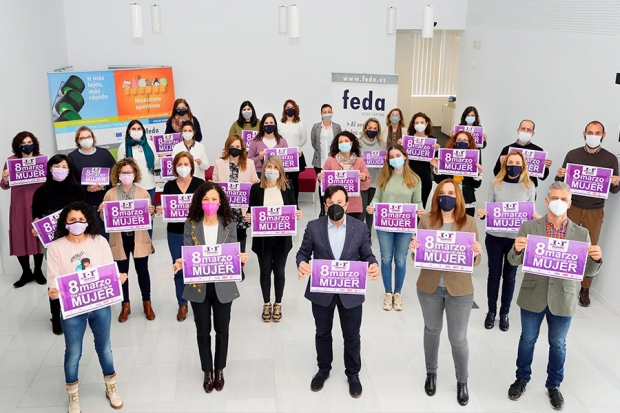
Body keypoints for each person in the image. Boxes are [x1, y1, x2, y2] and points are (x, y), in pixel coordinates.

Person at [506, 181, 603, 410]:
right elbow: (513, 261)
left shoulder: (582, 233)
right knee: (527, 339)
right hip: (533, 293)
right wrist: (517, 249)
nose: (558, 203)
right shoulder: (529, 227)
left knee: (558, 343)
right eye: (554, 198)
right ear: (547, 201)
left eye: (563, 199)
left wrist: (596, 259)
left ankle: (554, 385)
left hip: (564, 295)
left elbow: (586, 271)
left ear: (569, 203)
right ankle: (521, 379)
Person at [296, 185, 380, 398]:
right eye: (331, 202)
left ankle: (353, 374)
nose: (336, 206)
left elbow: (367, 254)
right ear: (325, 204)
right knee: (322, 333)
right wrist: (302, 264)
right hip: (321, 291)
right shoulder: (314, 227)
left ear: (347, 204)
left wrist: (373, 264)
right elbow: (302, 253)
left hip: (350, 292)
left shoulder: (359, 228)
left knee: (352, 335)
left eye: (340, 202)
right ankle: (323, 369)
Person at [47, 201, 127, 413]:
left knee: (104, 347)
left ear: (88, 221)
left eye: (81, 220)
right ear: (65, 222)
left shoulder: (98, 241)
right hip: (72, 309)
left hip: (99, 305)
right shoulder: (55, 247)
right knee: (73, 352)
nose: (77, 223)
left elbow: (109, 271)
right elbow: (54, 280)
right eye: (72, 220)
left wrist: (118, 278)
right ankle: (73, 395)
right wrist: (53, 291)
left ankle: (111, 387)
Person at [408, 178, 483, 406]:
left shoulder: (469, 222)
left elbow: (476, 260)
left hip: (459, 290)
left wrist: (476, 253)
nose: (447, 196)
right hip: (429, 287)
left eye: (451, 192)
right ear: (436, 196)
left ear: (458, 197)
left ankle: (462, 381)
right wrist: (413, 249)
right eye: (443, 192)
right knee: (431, 331)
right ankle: (431, 373)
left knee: (457, 338)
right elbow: (416, 257)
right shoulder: (425, 220)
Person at [172, 182, 249, 393]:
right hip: (199, 285)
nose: (210, 203)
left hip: (223, 284)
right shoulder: (191, 223)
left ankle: (220, 369)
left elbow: (233, 252)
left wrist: (241, 259)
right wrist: (181, 262)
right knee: (202, 331)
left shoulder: (229, 223)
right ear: (199, 201)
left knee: (222, 330)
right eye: (206, 199)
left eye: (214, 199)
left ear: (221, 201)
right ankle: (207, 371)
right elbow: (188, 251)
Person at [554, 120, 620, 307]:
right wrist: (559, 174)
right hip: (571, 207)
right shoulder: (572, 154)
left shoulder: (610, 159)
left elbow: (614, 190)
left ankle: (585, 288)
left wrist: (616, 183)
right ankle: (559, 281)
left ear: (603, 135)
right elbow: (560, 182)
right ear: (584, 134)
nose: (593, 135)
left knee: (591, 249)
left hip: (595, 210)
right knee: (563, 243)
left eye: (597, 132)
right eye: (590, 132)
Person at [476, 151, 536, 331]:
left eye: (517, 162)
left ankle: (505, 313)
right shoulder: (495, 183)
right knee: (493, 275)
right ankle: (491, 312)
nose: (513, 165)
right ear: (505, 164)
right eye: (510, 162)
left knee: (510, 276)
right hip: (494, 237)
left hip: (516, 241)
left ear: (523, 166)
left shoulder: (529, 186)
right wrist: (482, 214)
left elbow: (529, 215)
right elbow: (489, 208)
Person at [31, 154, 86, 335]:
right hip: (52, 243)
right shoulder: (41, 192)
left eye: (64, 166)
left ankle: (77, 307)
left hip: (75, 240)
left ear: (69, 169)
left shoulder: (77, 189)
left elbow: (84, 212)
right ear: (50, 168)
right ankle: (56, 316)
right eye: (57, 166)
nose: (60, 169)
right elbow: (36, 213)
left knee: (76, 273)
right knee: (55, 277)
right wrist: (36, 223)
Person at [366, 145, 423, 311]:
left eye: (397, 155)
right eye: (391, 156)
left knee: (400, 259)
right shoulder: (384, 178)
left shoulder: (415, 179)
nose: (395, 159)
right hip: (385, 226)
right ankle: (387, 292)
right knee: (385, 259)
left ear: (404, 156)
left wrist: (420, 209)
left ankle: (398, 293)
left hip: (405, 226)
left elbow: (417, 201)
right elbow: (377, 197)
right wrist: (372, 206)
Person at [245, 156, 302, 322]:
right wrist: (249, 217)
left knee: (279, 271)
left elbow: (294, 207)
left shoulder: (288, 187)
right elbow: (251, 211)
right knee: (264, 271)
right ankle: (266, 303)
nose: (271, 170)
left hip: (282, 239)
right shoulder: (256, 189)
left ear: (280, 171)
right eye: (268, 166)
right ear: (263, 170)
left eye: (275, 167)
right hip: (262, 239)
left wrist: (297, 213)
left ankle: (278, 303)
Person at [99, 158, 156, 323]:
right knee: (122, 274)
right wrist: (102, 211)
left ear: (135, 174)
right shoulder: (110, 194)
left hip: (138, 238)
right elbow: (105, 219)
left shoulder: (143, 193)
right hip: (119, 238)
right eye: (123, 173)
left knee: (142, 271)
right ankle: (125, 304)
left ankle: (147, 303)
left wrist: (151, 212)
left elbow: (149, 217)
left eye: (129, 172)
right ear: (117, 174)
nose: (126, 175)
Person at [156, 152, 204, 322]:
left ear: (192, 165)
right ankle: (182, 303)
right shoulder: (169, 186)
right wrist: (160, 209)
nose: (183, 167)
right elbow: (165, 206)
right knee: (179, 268)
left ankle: (199, 299)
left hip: (196, 232)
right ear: (175, 167)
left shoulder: (200, 184)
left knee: (197, 267)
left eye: (186, 163)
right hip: (175, 232)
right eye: (179, 164)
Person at [1, 132, 46, 288]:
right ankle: (26, 272)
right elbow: (5, 185)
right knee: (20, 235)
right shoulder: (11, 161)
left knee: (39, 234)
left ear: (34, 143)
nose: (26, 145)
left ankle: (38, 270)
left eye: (29, 141)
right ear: (17, 146)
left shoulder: (41, 160)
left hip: (38, 203)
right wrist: (5, 178)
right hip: (19, 205)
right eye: (22, 143)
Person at [212, 134, 260, 257]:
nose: (235, 148)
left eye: (237, 146)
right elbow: (215, 183)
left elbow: (254, 181)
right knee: (225, 235)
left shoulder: (249, 163)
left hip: (241, 208)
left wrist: (256, 182)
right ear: (227, 147)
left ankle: (241, 262)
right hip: (225, 207)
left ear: (242, 147)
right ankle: (228, 260)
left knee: (241, 235)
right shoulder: (219, 162)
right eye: (232, 146)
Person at [67, 126, 117, 240]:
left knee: (106, 234)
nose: (86, 139)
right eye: (82, 138)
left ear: (93, 137)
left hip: (104, 201)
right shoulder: (72, 157)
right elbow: (71, 181)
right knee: (89, 235)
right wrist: (87, 188)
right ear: (78, 141)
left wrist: (105, 183)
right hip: (85, 202)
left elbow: (115, 172)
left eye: (88, 136)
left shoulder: (104, 153)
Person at [117, 119, 160, 242]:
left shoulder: (150, 144)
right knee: (134, 215)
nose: (136, 131)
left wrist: (162, 159)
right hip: (132, 186)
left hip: (149, 185)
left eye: (138, 129)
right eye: (133, 129)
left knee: (148, 215)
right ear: (128, 131)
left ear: (143, 131)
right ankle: (135, 242)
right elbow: (120, 167)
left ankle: (148, 241)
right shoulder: (123, 147)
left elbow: (155, 162)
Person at [317, 131, 371, 220]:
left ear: (351, 142)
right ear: (337, 144)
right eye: (340, 142)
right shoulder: (330, 160)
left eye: (346, 141)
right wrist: (320, 179)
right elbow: (322, 184)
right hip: (335, 205)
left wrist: (364, 178)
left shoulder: (359, 161)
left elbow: (366, 186)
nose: (343, 143)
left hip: (354, 205)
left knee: (352, 232)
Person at [431, 131, 483, 217]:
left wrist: (477, 174)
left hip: (467, 203)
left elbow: (476, 185)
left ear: (469, 144)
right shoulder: (446, 157)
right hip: (447, 201)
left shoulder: (474, 160)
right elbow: (438, 181)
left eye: (465, 140)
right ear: (454, 142)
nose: (461, 142)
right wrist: (437, 168)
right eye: (459, 140)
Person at [492, 119, 552, 188]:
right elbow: (496, 172)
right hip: (509, 188)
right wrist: (501, 163)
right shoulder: (507, 149)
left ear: (532, 133)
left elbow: (543, 177)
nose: (525, 131)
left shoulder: (538, 151)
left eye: (528, 130)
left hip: (529, 190)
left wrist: (546, 167)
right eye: (523, 129)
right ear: (518, 130)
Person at [311, 104, 342, 215]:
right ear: (321, 114)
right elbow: (314, 143)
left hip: (333, 162)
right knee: (321, 187)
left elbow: (340, 143)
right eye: (325, 112)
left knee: (333, 186)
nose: (327, 113)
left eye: (329, 111)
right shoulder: (316, 127)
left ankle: (333, 208)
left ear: (332, 113)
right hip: (319, 161)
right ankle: (322, 210)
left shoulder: (337, 127)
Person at [407, 112, 440, 207]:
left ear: (426, 124)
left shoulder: (432, 140)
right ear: (413, 125)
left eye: (422, 122)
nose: (419, 124)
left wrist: (437, 151)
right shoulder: (408, 139)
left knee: (420, 208)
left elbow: (436, 161)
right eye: (416, 122)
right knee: (408, 208)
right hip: (409, 179)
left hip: (425, 180)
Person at [278, 99, 308, 203]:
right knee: (281, 180)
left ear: (295, 109)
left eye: (291, 107)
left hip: (296, 156)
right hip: (282, 157)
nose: (289, 109)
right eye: (287, 108)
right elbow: (277, 139)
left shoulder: (300, 123)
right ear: (284, 110)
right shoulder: (279, 123)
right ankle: (284, 202)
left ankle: (295, 203)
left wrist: (298, 149)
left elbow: (304, 139)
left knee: (294, 181)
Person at [358, 117, 385, 231]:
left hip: (376, 181)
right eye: (370, 128)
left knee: (371, 210)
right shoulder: (357, 144)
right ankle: (359, 234)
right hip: (362, 182)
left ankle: (368, 233)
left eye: (375, 128)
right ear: (365, 129)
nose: (372, 130)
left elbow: (386, 164)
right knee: (361, 210)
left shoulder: (382, 144)